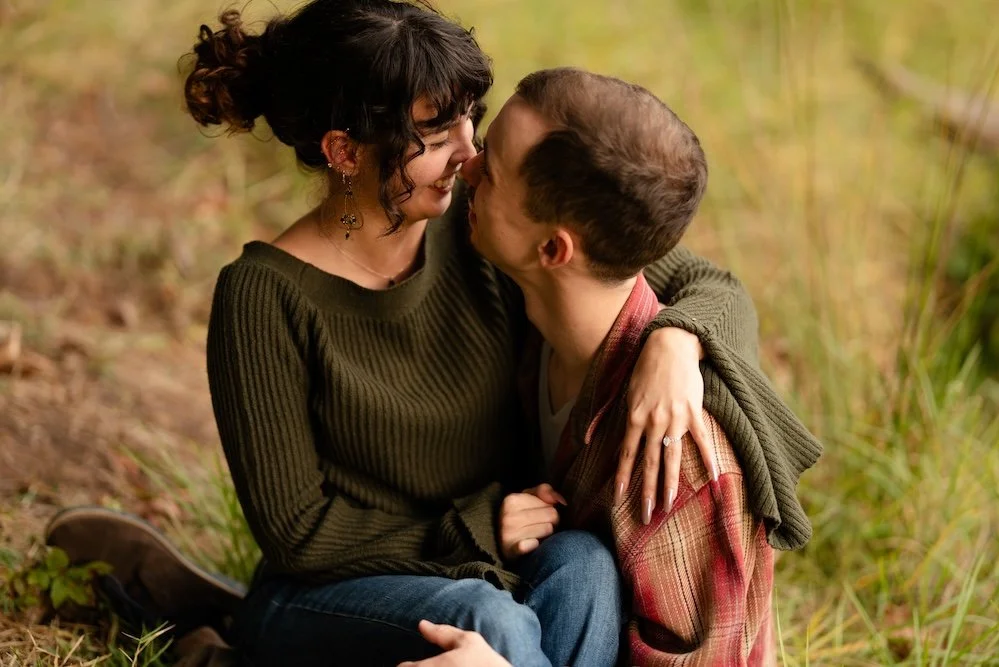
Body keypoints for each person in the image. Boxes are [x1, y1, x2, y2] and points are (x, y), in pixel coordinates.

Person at [45, 1, 820, 665]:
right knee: (493, 624)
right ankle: (239, 637)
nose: (472, 152)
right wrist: (476, 526)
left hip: (502, 567)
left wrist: (675, 342)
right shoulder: (263, 297)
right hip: (331, 595)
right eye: (437, 130)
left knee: (586, 566)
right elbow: (297, 531)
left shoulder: (482, 232)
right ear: (344, 151)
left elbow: (693, 276)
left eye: (470, 117)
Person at [400, 67, 801, 667]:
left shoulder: (678, 461)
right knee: (577, 564)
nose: (470, 166)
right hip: (549, 602)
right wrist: (679, 337)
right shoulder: (536, 305)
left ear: (553, 249)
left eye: (495, 169)